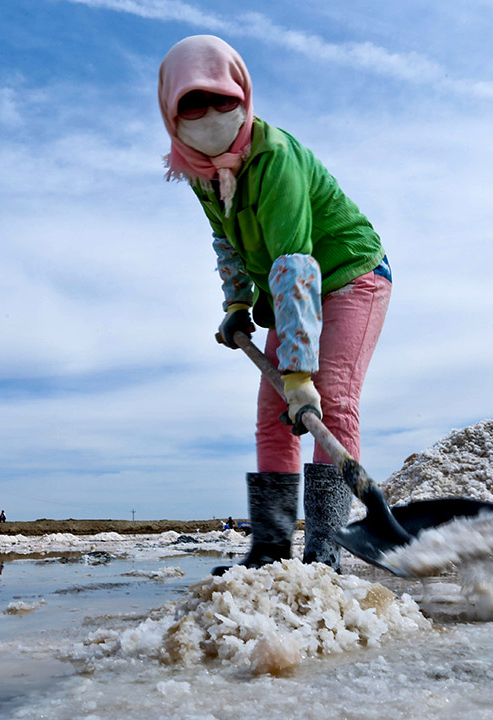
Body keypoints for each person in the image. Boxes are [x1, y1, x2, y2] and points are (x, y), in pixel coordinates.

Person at [158, 36, 391, 575]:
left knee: (326, 396)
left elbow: (294, 264)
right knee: (273, 413)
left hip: (349, 273)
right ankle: (269, 547)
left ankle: (325, 551)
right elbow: (227, 241)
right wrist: (238, 303)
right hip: (289, 290)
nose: (210, 114)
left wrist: (299, 374)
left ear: (242, 94)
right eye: (193, 103)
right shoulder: (198, 168)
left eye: (222, 98)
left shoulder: (275, 157)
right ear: (171, 111)